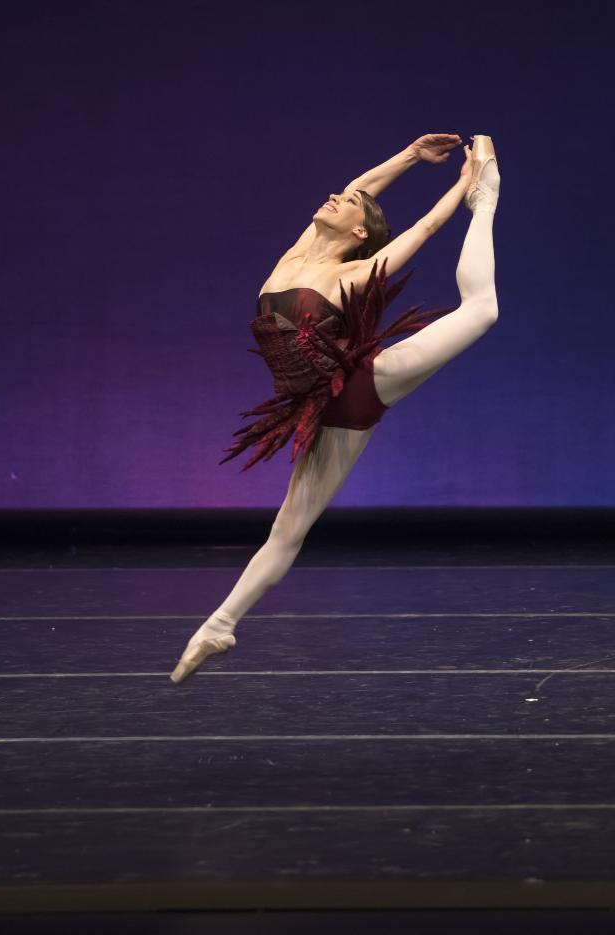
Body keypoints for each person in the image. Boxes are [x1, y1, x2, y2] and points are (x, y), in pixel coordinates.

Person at [170, 133, 500, 684]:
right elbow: (360, 187)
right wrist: (411, 157)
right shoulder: (296, 256)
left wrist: (466, 183)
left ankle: (487, 202)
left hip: (362, 384)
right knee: (287, 530)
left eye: (346, 205)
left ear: (361, 233)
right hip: (323, 411)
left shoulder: (353, 275)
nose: (336, 197)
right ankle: (217, 626)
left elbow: (424, 229)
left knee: (483, 309)